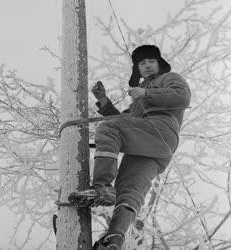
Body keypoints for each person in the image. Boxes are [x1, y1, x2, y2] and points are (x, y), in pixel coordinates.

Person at [69, 44, 191, 250]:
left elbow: (182, 97)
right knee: (130, 190)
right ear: (138, 68)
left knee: (108, 129)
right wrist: (103, 101)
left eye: (151, 61)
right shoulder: (139, 96)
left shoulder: (169, 78)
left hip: (160, 129)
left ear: (159, 63)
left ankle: (102, 187)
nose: (147, 66)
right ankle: (114, 238)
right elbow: (124, 121)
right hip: (153, 147)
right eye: (142, 63)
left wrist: (145, 93)